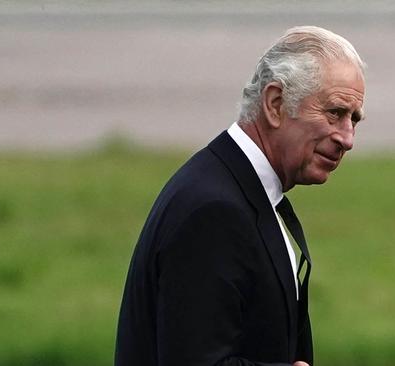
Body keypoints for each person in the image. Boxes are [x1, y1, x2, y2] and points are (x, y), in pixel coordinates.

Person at [114, 25, 365, 366]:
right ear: (275, 104)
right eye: (335, 113)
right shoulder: (214, 211)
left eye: (354, 119)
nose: (347, 138)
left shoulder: (236, 186)